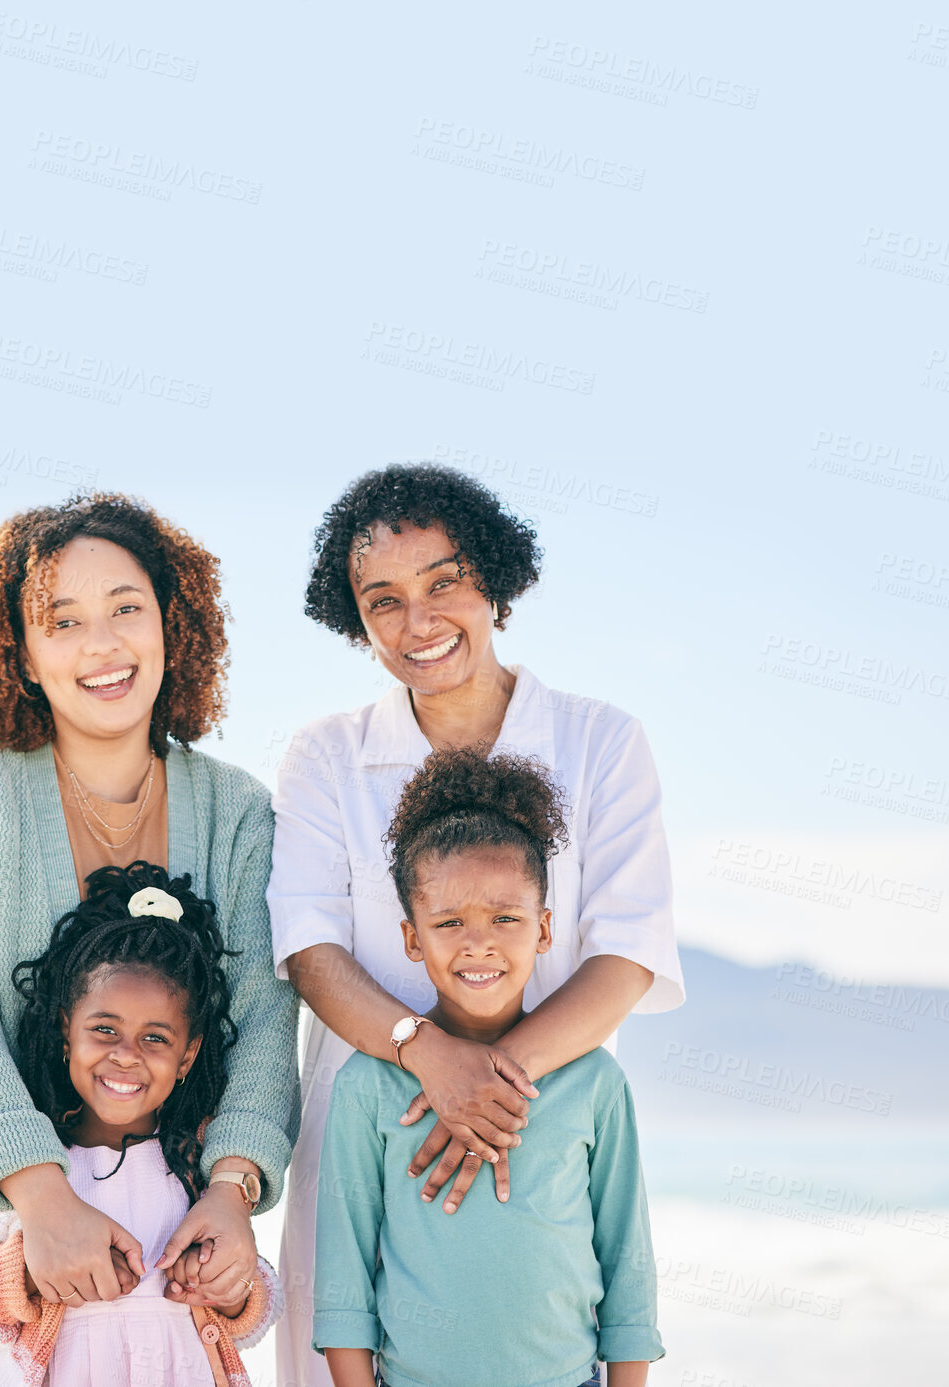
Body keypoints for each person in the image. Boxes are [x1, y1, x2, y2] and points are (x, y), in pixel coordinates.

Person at [0, 494, 299, 1387]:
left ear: (171, 622)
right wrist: (40, 1195)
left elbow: (269, 1019)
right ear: (23, 654)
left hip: (143, 1229)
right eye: (62, 620)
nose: (102, 643)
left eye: (126, 607)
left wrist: (234, 1188)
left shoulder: (239, 816)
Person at [270, 464, 683, 1386]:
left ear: (493, 578)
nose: (419, 622)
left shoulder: (600, 741)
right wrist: (427, 1057)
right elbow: (308, 949)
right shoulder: (326, 756)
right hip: (371, 1143)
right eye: (383, 600)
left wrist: (489, 1087)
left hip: (547, 1140)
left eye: (444, 581)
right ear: (355, 618)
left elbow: (627, 953)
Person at [312, 748, 664, 1387]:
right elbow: (344, 1275)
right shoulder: (367, 1087)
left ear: (544, 929)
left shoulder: (594, 1084)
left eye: (506, 918)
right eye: (449, 922)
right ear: (413, 937)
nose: (479, 943)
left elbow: (627, 1263)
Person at [0, 862, 283, 1386]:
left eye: (155, 1038)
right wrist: (24, 1272)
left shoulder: (200, 1159)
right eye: (104, 1029)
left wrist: (236, 1289)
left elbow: (256, 1316)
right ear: (67, 1032)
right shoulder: (22, 1162)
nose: (126, 1056)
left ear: (188, 1055)